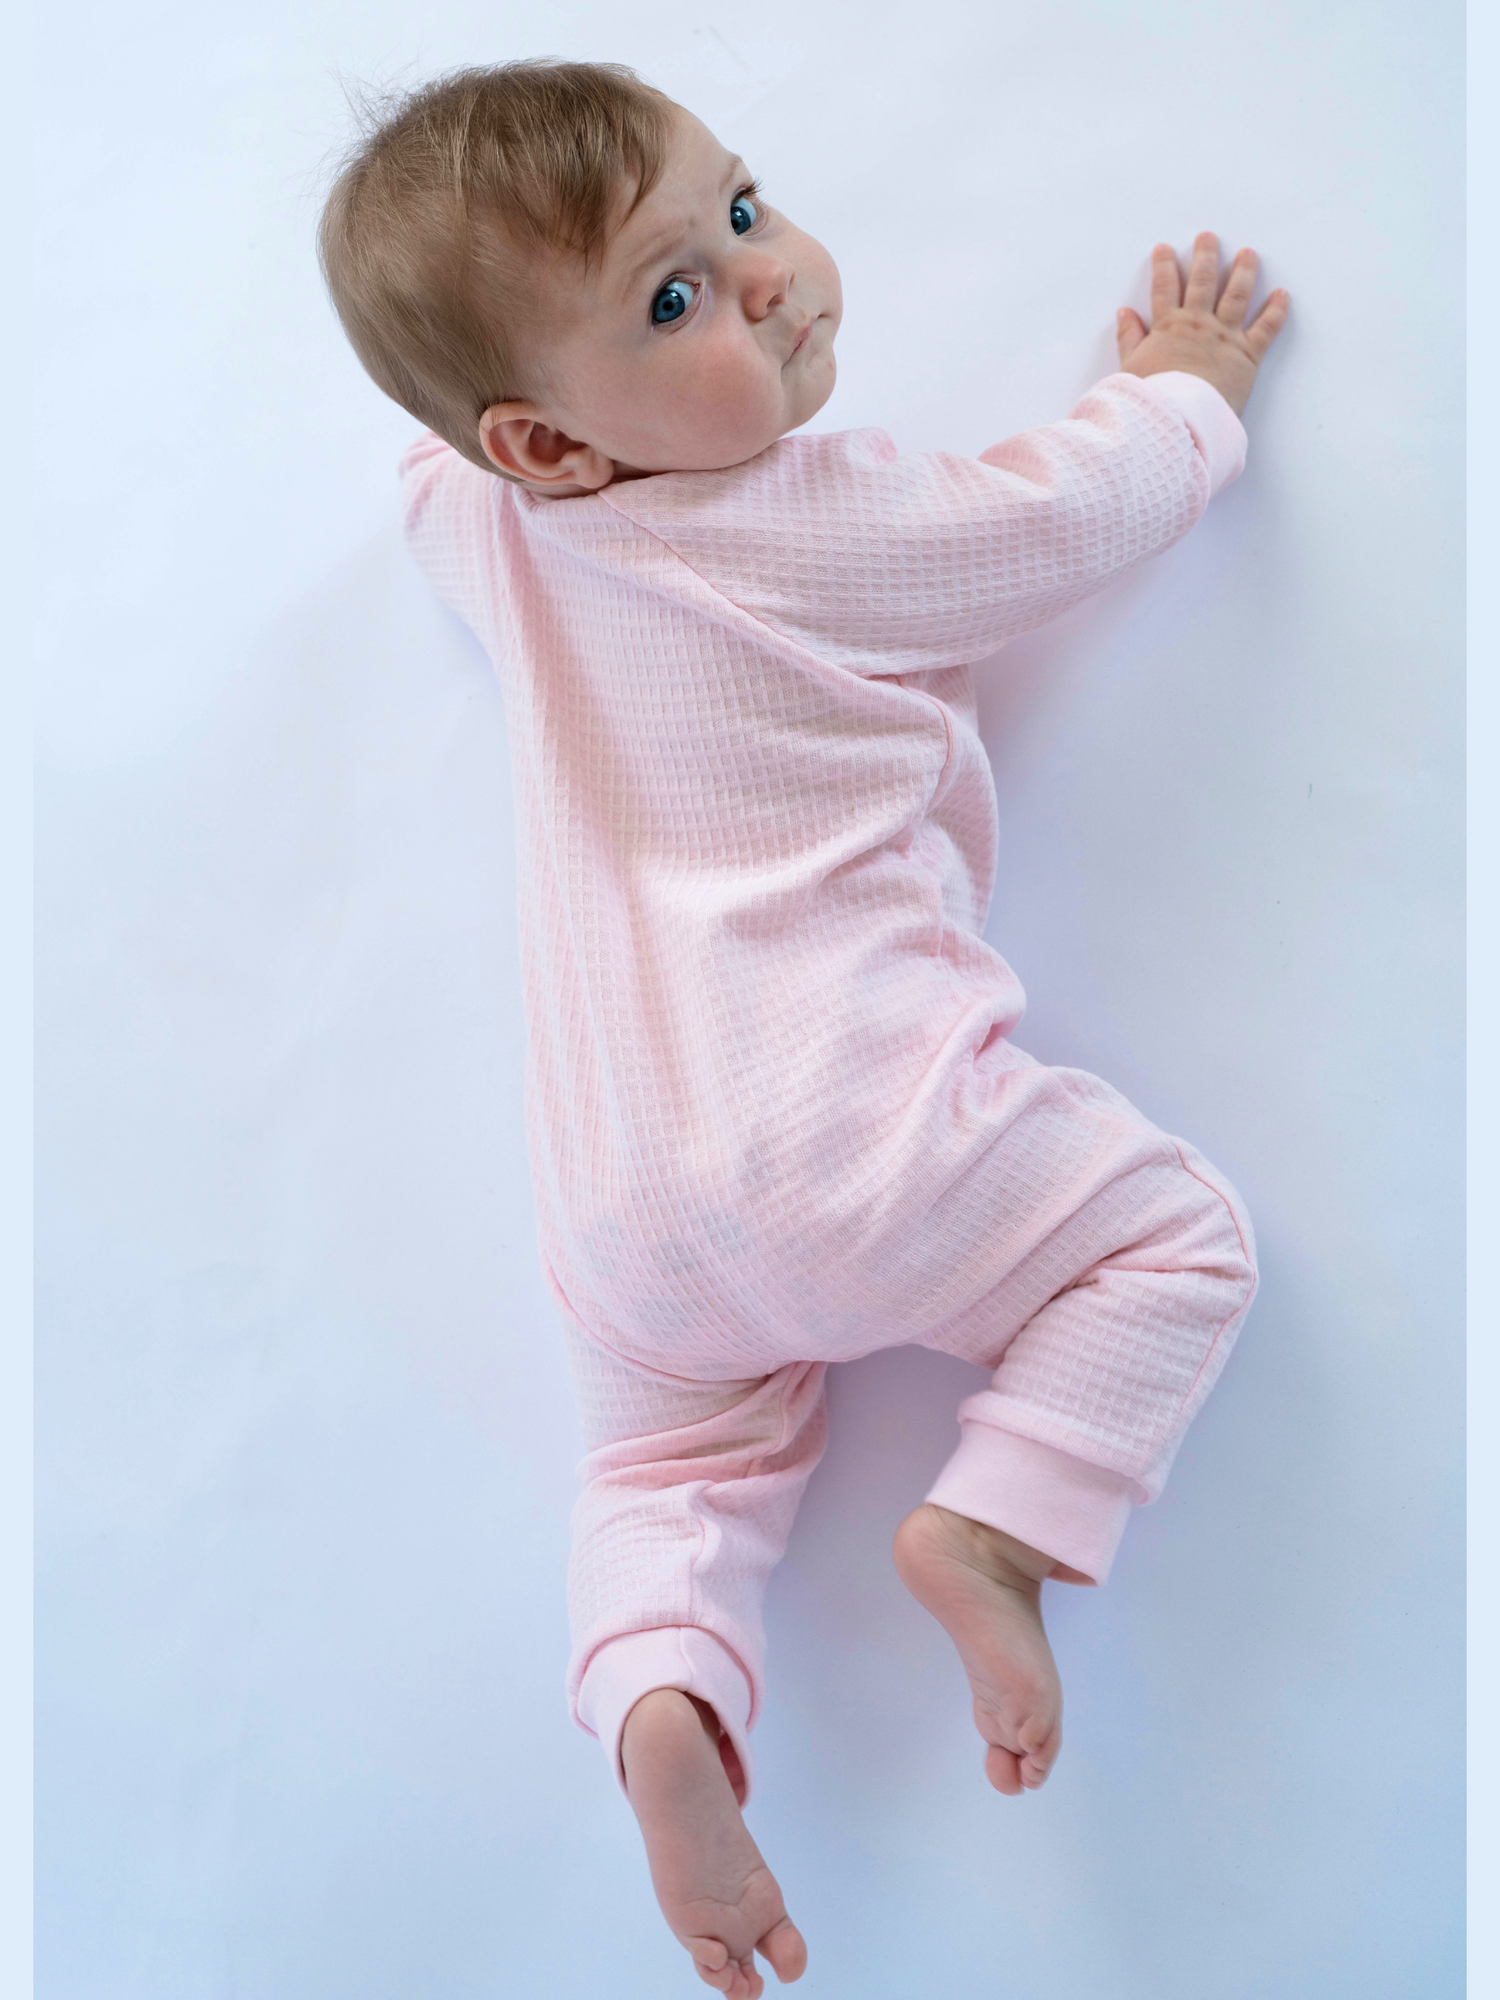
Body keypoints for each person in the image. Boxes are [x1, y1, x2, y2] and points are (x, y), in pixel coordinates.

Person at [318, 57, 1286, 1998]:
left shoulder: (501, 536)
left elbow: (429, 484)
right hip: (864, 1128)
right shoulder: (817, 522)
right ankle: (998, 1524)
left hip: (627, 1224)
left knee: (658, 1481)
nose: (766, 279)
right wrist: (1189, 392)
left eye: (745, 209)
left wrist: (477, 417)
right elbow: (1061, 520)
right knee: (1172, 1244)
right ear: (553, 440)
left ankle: (661, 1699)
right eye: (676, 297)